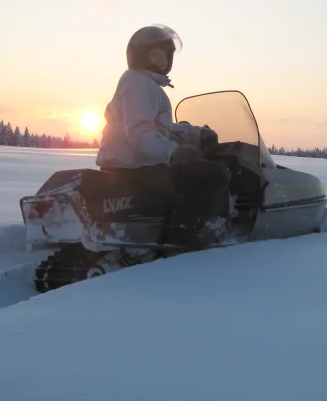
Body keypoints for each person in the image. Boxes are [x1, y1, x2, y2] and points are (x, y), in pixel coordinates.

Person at [96, 24, 231, 247]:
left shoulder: (145, 84)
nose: (162, 62)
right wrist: (174, 152)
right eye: (156, 56)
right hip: (137, 169)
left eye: (165, 57)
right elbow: (140, 134)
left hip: (136, 166)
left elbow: (160, 127)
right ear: (139, 56)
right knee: (216, 174)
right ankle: (180, 235)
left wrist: (198, 134)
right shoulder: (138, 83)